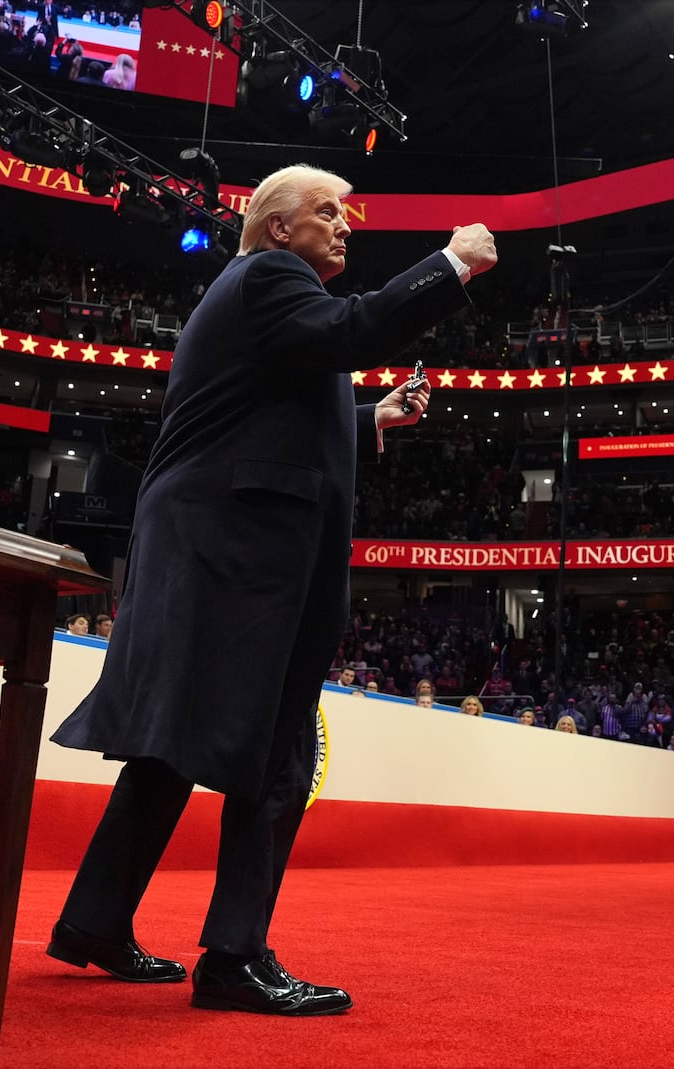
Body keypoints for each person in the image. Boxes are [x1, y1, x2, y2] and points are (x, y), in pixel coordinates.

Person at [45, 164, 497, 1017]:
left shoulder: (265, 298)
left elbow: (265, 408)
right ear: (279, 227)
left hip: (209, 542)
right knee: (281, 744)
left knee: (174, 741)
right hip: (239, 551)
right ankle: (235, 956)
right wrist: (452, 263)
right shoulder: (272, 277)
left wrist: (372, 420)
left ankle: (94, 920)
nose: (344, 225)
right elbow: (359, 332)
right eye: (326, 211)